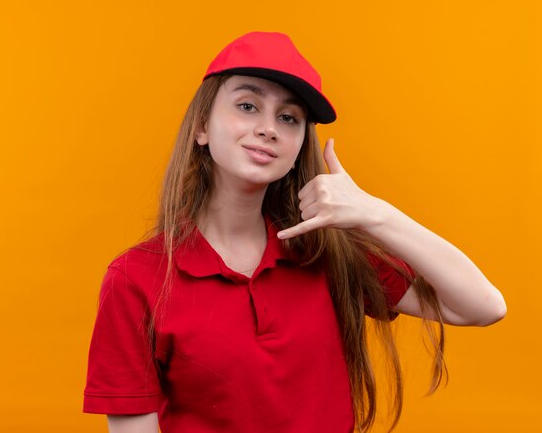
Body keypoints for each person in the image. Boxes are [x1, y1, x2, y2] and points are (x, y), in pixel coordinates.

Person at [82, 31, 507, 433]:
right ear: (202, 127)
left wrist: (375, 214)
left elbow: (482, 306)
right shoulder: (135, 279)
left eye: (288, 117)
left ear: (299, 145)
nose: (269, 127)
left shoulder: (329, 251)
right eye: (247, 106)